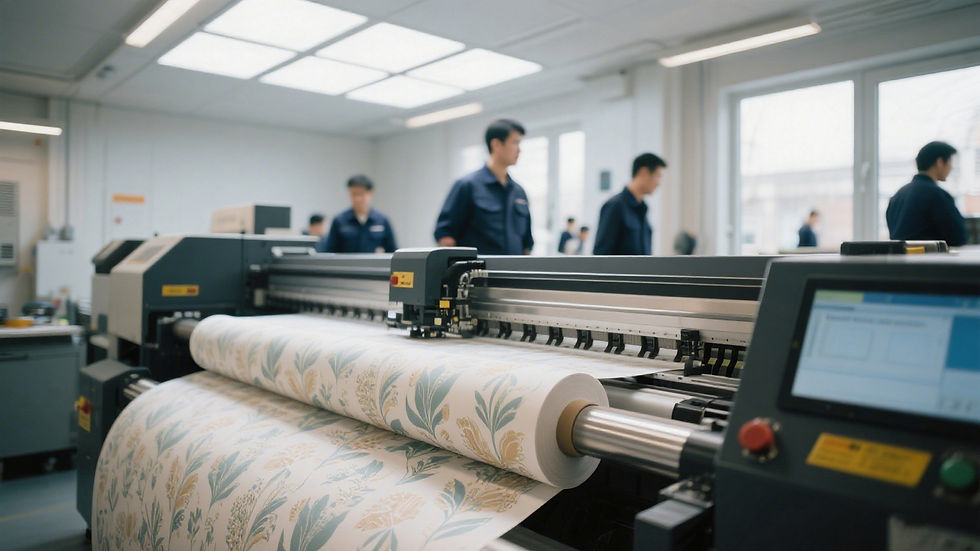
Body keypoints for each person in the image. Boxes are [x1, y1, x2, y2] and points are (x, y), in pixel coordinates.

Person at [434, 119, 533, 255]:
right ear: (496, 144)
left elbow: (526, 243)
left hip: (513, 273)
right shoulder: (467, 185)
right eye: (515, 142)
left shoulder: (519, 192)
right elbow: (445, 234)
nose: (519, 150)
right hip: (478, 274)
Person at [886, 141, 967, 246]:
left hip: (901, 261)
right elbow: (958, 237)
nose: (951, 167)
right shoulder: (937, 195)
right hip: (929, 259)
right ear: (940, 162)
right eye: (950, 162)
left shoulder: (897, 196)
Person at [593, 153, 666, 255]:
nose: (658, 183)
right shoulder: (615, 206)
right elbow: (601, 254)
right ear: (643, 173)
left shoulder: (642, 208)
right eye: (658, 176)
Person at [318, 175, 397, 253]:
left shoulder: (382, 220)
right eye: (353, 194)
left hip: (373, 265)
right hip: (346, 265)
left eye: (361, 194)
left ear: (370, 193)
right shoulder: (339, 220)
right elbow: (329, 251)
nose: (357, 199)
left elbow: (392, 251)